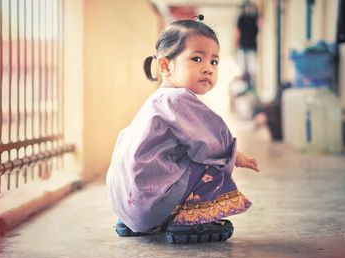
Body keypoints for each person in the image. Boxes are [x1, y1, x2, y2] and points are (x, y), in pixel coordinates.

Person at [106, 15, 260, 244]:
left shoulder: (157, 100)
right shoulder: (178, 99)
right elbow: (213, 143)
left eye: (214, 62)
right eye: (197, 58)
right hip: (153, 204)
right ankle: (193, 220)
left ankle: (151, 220)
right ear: (166, 65)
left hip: (129, 208)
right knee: (213, 167)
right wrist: (234, 155)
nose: (208, 69)